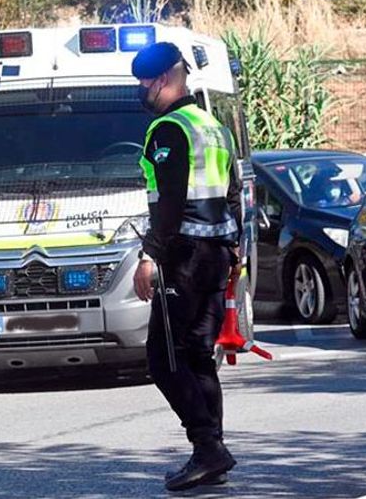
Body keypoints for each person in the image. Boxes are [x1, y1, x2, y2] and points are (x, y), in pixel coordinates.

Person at [130, 42, 242, 491]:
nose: (142, 92)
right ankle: (210, 450)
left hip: (185, 257)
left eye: (144, 84)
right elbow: (234, 193)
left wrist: (148, 257)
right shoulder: (213, 126)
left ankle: (208, 447)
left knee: (164, 358)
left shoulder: (169, 129)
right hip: (215, 255)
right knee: (197, 356)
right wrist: (235, 252)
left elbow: (171, 202)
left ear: (164, 80)